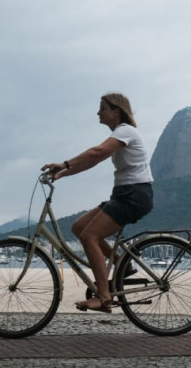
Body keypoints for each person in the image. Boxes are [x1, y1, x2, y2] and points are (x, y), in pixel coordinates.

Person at [41, 92, 154, 314]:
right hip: (124, 194)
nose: (98, 112)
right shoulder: (120, 135)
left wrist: (64, 163)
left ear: (116, 110)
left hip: (134, 195)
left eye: (102, 108)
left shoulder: (126, 131)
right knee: (78, 227)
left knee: (89, 236)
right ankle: (123, 263)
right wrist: (62, 173)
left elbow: (97, 152)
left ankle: (103, 297)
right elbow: (93, 160)